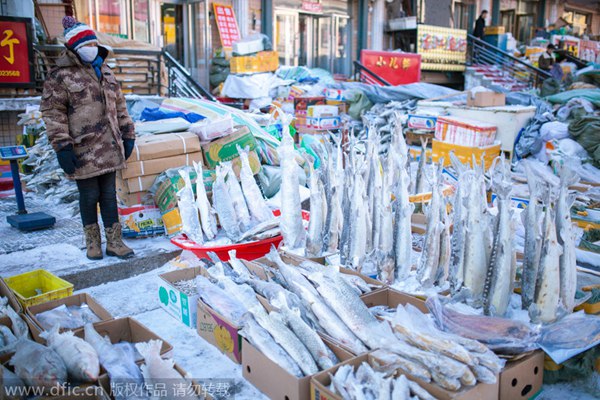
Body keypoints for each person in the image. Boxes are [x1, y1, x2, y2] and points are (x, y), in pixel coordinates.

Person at [41, 16, 135, 260]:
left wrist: (128, 134)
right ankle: (93, 243)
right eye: (85, 46)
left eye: (93, 44)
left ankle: (115, 242)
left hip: (109, 147)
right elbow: (53, 113)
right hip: (83, 150)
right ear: (73, 48)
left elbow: (121, 107)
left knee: (109, 196)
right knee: (89, 196)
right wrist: (62, 146)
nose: (91, 49)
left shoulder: (105, 70)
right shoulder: (60, 76)